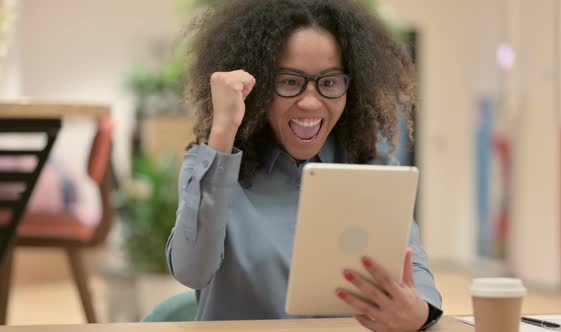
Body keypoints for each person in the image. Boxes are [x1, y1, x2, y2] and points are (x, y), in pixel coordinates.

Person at [166, 0, 442, 330]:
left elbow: (415, 270)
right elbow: (190, 270)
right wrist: (223, 129)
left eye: (329, 82)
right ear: (261, 85)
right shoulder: (214, 168)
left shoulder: (371, 167)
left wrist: (419, 312)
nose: (310, 101)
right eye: (289, 81)